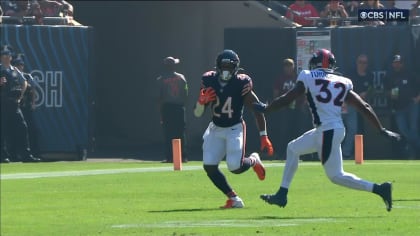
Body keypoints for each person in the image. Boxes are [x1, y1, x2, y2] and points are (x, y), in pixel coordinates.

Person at [254, 49, 401, 212]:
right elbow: (364, 106)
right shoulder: (342, 81)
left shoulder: (308, 76)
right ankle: (282, 194)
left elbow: (287, 99)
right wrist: (381, 129)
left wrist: (267, 109)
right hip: (328, 129)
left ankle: (380, 189)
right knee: (292, 148)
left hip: (327, 131)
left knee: (336, 176)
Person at [193, 49, 274, 208]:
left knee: (235, 167)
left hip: (234, 128)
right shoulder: (209, 81)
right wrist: (200, 103)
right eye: (223, 66)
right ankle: (234, 199)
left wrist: (263, 135)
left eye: (229, 67)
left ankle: (253, 160)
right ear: (217, 66)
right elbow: (197, 114)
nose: (226, 70)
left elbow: (256, 109)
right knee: (209, 165)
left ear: (236, 68)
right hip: (215, 128)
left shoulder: (241, 83)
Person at [0, 45, 40, 163]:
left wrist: (20, 97)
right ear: (1, 57)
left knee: (22, 127)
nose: (7, 57)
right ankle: (3, 156)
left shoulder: (15, 70)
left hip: (14, 104)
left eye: (9, 55)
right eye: (5, 55)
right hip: (2, 103)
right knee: (2, 130)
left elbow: (25, 83)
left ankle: (26, 155)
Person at [384, 55, 420, 159]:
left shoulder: (410, 74)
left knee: (413, 129)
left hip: (411, 105)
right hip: (398, 107)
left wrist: (417, 98)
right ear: (392, 64)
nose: (397, 64)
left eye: (399, 62)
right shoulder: (389, 76)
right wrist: (390, 94)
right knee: (404, 130)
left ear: (402, 63)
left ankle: (413, 153)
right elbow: (386, 91)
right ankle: (415, 150)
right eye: (395, 62)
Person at [157, 56, 188, 163]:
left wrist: (161, 112)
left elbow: (159, 97)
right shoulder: (181, 78)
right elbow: (186, 93)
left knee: (168, 132)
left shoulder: (161, 80)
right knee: (180, 132)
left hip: (167, 108)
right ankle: (182, 156)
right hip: (179, 107)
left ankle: (170, 157)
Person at [342, 54, 373, 159]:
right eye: (360, 62)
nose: (362, 65)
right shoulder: (350, 74)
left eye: (364, 63)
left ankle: (346, 153)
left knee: (353, 130)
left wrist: (366, 93)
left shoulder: (369, 75)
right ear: (356, 62)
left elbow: (371, 88)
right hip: (345, 105)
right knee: (338, 130)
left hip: (359, 107)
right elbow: (343, 89)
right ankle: (333, 153)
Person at [12, 53, 43, 159]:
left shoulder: (27, 76)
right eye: (17, 64)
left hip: (26, 107)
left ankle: (34, 152)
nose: (20, 66)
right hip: (15, 107)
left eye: (21, 64)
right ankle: (16, 154)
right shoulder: (12, 76)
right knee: (16, 130)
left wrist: (33, 103)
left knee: (31, 130)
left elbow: (33, 89)